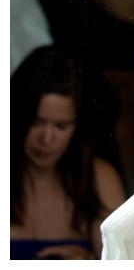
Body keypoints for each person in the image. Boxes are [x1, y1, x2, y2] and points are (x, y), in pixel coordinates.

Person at [10, 48, 123, 258]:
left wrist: (88, 261)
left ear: (78, 126)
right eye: (36, 122)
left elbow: (121, 261)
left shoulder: (99, 179)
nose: (46, 139)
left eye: (61, 126)